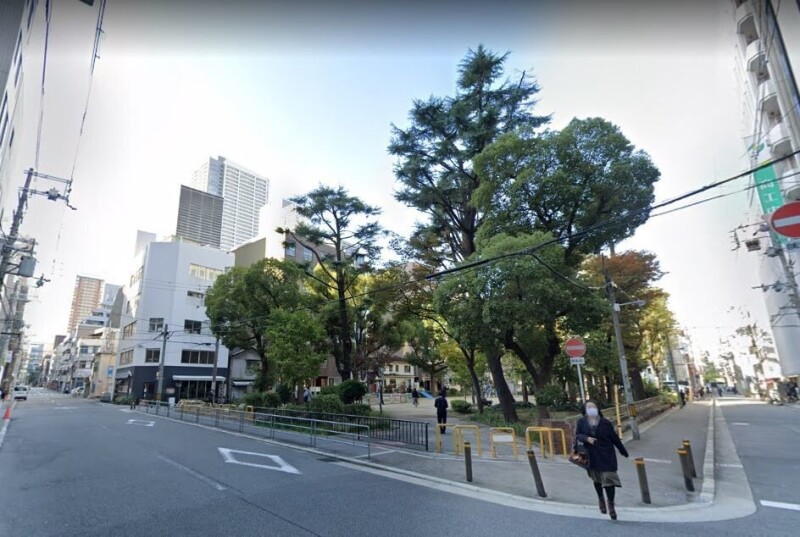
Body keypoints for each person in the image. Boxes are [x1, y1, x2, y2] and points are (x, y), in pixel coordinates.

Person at [575, 401, 629, 520]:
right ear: (585, 410)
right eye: (589, 407)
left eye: (593, 406)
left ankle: (611, 505)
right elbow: (578, 435)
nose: (591, 408)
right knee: (597, 479)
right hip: (591, 455)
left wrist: (623, 451)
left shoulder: (606, 423)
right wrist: (586, 438)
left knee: (609, 479)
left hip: (606, 455)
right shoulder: (581, 422)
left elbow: (614, 438)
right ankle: (601, 499)